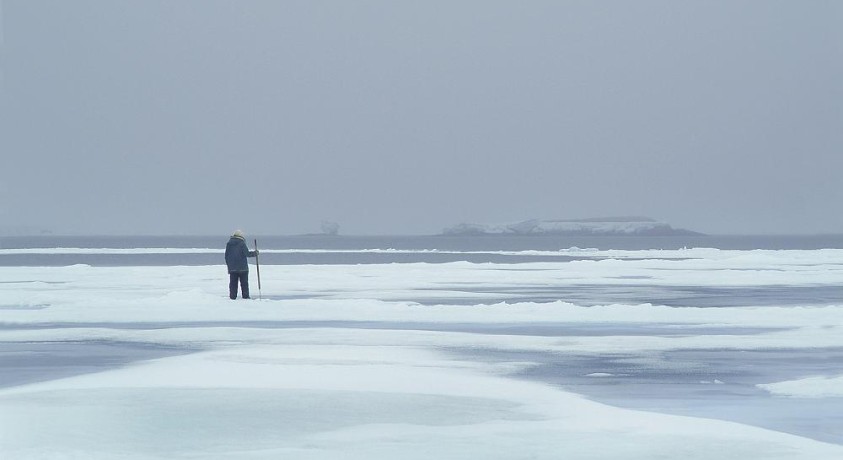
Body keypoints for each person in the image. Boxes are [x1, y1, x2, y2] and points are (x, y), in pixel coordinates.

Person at [225, 230, 258, 299]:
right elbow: (247, 254)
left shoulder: (229, 244)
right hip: (243, 268)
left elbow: (226, 256)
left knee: (233, 284)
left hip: (232, 268)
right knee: (244, 284)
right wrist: (255, 253)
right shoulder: (242, 243)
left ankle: (232, 297)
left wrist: (229, 266)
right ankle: (245, 297)